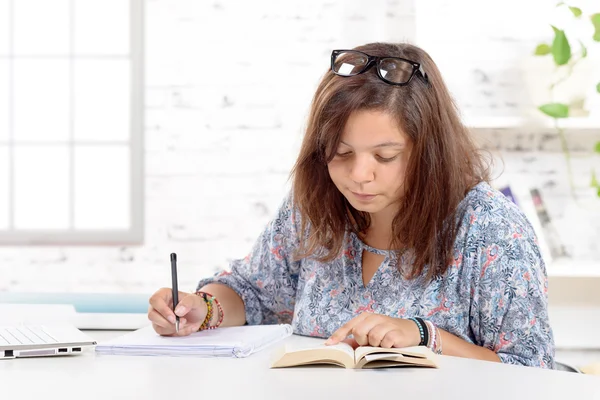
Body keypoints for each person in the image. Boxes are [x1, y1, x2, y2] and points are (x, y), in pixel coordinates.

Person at [147, 42, 555, 368]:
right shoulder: (315, 206)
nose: (360, 175)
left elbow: (530, 370)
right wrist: (203, 307)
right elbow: (253, 291)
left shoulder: (491, 229)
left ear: (428, 152)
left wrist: (427, 337)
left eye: (385, 156)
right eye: (342, 153)